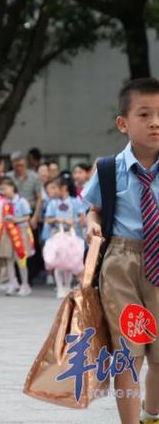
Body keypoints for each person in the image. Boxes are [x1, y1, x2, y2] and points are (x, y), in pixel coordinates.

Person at [83, 77, 159, 424]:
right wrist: (92, 223)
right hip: (121, 263)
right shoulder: (109, 169)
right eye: (144, 114)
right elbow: (93, 207)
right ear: (123, 123)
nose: (155, 122)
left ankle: (151, 415)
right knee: (129, 352)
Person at [43, 173, 85, 298]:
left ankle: (67, 286)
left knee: (69, 261)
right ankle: (60, 287)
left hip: (72, 235)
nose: (53, 191)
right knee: (58, 262)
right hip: (57, 235)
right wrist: (58, 220)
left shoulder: (75, 202)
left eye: (55, 187)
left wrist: (75, 221)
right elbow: (48, 220)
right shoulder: (52, 203)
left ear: (64, 187)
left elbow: (82, 219)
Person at [7, 151, 43, 283]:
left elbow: (40, 198)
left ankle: (30, 277)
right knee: (14, 246)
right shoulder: (8, 177)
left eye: (21, 165)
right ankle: (16, 277)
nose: (19, 167)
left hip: (29, 212)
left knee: (30, 246)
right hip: (11, 212)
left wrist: (34, 217)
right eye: (16, 165)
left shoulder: (34, 177)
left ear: (25, 164)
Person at [0, 177, 34, 296]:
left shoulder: (21, 201)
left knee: (21, 259)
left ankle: (25, 284)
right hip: (8, 232)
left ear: (12, 187)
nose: (3, 191)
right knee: (9, 259)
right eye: (1, 189)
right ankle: (13, 283)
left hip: (20, 231)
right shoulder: (3, 202)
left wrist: (16, 220)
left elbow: (27, 217)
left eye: (5, 188)